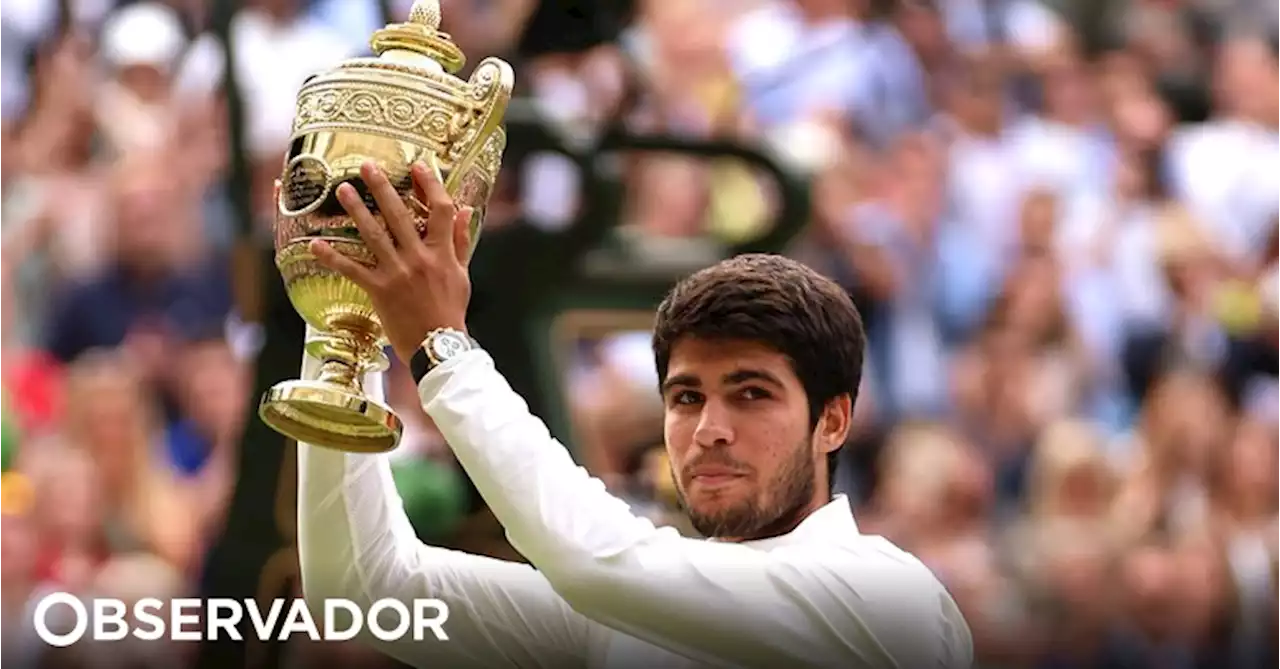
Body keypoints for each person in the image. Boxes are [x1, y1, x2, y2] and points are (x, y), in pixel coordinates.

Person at [296, 160, 973, 668]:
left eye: (751, 393)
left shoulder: (888, 598)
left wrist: (441, 346)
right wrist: (342, 320)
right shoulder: (630, 609)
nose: (709, 428)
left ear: (833, 420)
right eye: (686, 397)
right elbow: (363, 588)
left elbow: (596, 561)